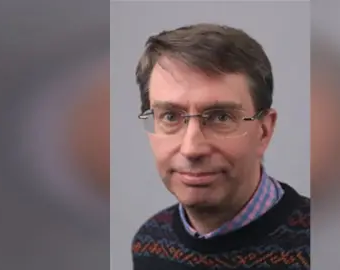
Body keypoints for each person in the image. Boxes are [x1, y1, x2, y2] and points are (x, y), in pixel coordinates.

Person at [131, 23, 310, 270]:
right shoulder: (150, 243)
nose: (192, 149)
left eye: (221, 117)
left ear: (264, 130)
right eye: (170, 117)